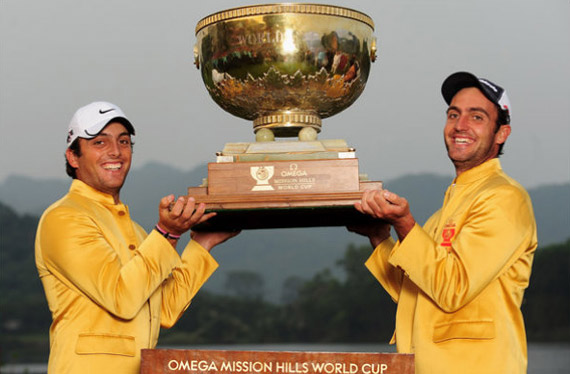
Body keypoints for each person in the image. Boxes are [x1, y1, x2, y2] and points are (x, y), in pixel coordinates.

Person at [348, 72, 537, 374]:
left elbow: (452, 288)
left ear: (501, 133)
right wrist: (380, 238)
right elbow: (419, 291)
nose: (460, 126)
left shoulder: (504, 198)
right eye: (453, 114)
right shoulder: (444, 211)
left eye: (477, 117)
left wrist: (405, 223)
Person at [35, 101, 239, 373]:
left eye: (124, 141)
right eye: (99, 143)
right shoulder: (64, 217)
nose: (116, 152)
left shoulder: (138, 231)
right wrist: (168, 232)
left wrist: (202, 243)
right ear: (73, 157)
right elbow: (122, 296)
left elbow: (164, 309)